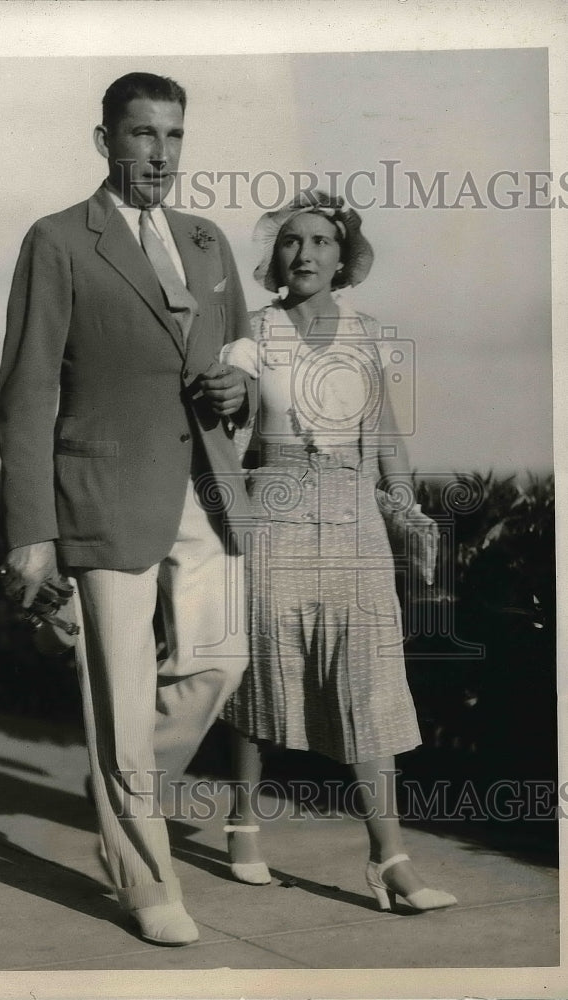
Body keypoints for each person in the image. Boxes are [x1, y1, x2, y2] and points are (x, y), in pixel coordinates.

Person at [0, 72, 253, 945]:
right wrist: (32, 528)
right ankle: (146, 878)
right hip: (102, 490)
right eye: (142, 135)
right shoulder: (61, 240)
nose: (160, 153)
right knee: (121, 684)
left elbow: (236, 353)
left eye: (174, 136)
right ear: (104, 139)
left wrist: (236, 386)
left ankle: (117, 778)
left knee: (221, 662)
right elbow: (27, 389)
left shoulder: (208, 241)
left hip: (205, 489)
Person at [220, 190, 457, 912]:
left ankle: (390, 859)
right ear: (275, 256)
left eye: (322, 242)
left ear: (342, 257)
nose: (307, 254)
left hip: (354, 515)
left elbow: (386, 434)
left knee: (366, 679)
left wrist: (405, 507)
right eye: (293, 242)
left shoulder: (367, 331)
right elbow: (229, 437)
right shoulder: (249, 335)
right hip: (274, 509)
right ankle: (242, 825)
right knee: (260, 668)